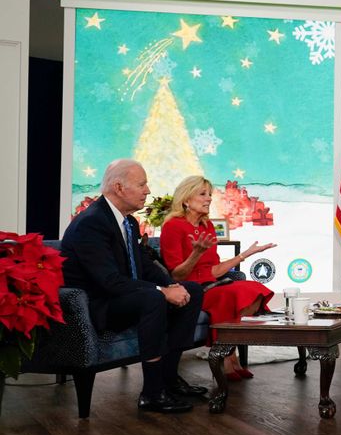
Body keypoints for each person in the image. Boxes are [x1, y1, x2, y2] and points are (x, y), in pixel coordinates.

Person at [60, 159, 206, 413]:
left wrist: (173, 284)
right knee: (153, 299)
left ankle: (168, 379)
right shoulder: (91, 223)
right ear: (118, 187)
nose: (148, 190)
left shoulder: (128, 221)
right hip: (98, 304)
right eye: (142, 184)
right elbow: (109, 281)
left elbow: (144, 267)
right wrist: (162, 292)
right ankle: (152, 393)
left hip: (123, 296)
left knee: (191, 290)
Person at [160, 176, 277, 379]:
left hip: (212, 282)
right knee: (230, 296)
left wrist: (245, 255)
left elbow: (215, 269)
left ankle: (230, 354)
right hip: (190, 288)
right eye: (203, 194)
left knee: (254, 289)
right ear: (186, 200)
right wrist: (196, 254)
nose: (209, 199)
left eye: (210, 195)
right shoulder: (173, 226)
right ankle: (226, 358)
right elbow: (176, 274)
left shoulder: (208, 226)